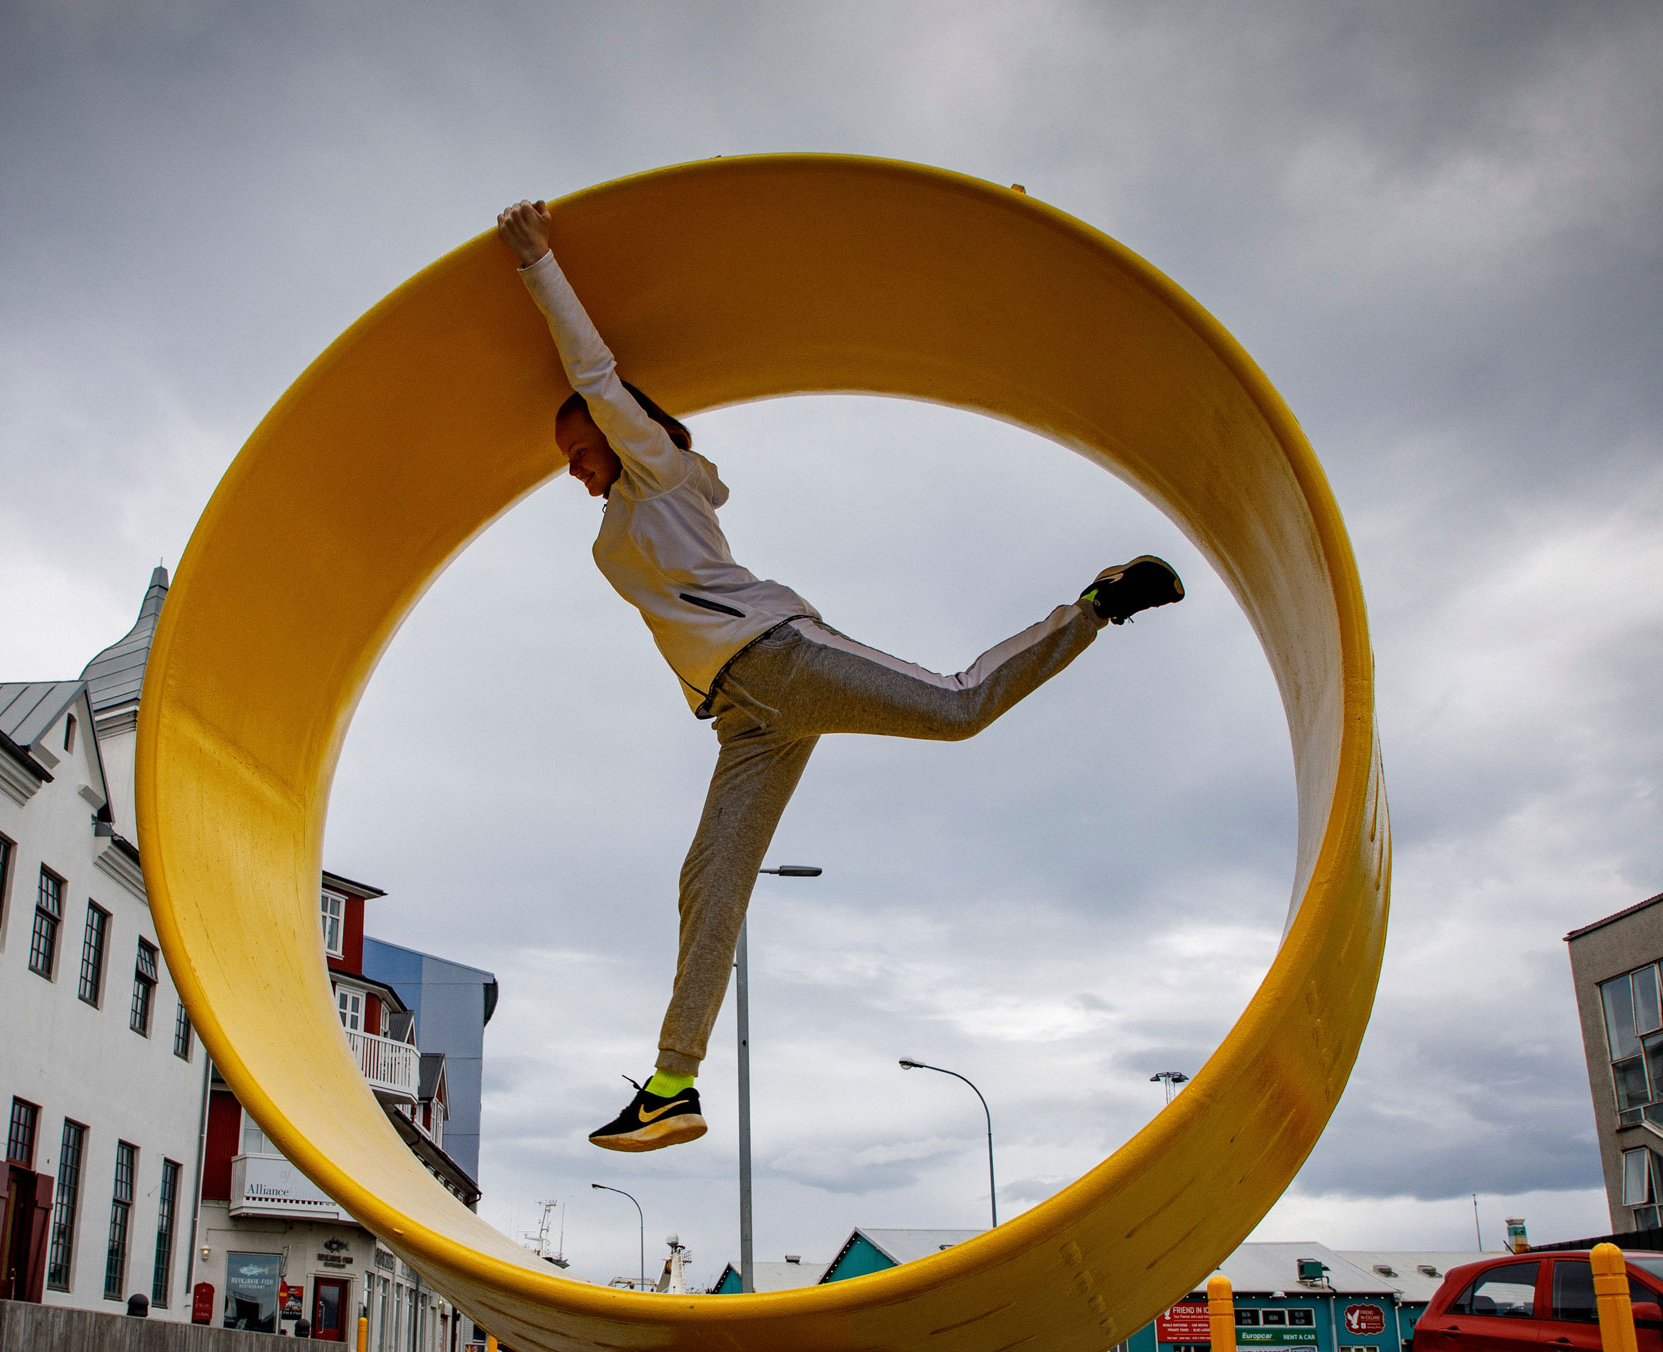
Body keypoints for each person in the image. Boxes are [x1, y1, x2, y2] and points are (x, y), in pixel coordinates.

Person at [495, 199, 1185, 1155]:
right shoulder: (617, 519)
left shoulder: (662, 474)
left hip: (782, 654)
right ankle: (672, 1085)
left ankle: (1096, 607)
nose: (572, 467)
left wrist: (538, 265)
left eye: (579, 447)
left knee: (955, 708)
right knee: (709, 879)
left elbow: (598, 372)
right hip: (744, 716)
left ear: (623, 433)